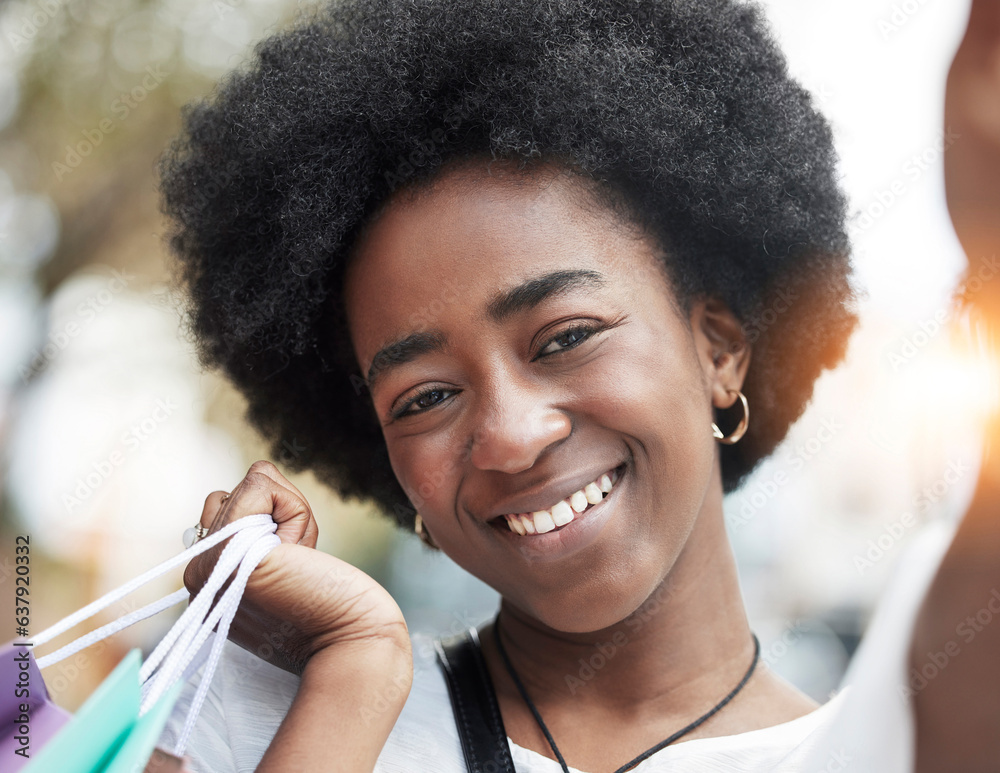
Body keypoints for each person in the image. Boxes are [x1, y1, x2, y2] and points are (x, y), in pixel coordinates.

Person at [155, 0, 1000, 770]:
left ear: (720, 351)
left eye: (565, 337)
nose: (512, 435)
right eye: (425, 397)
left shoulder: (894, 741)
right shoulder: (257, 710)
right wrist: (355, 672)